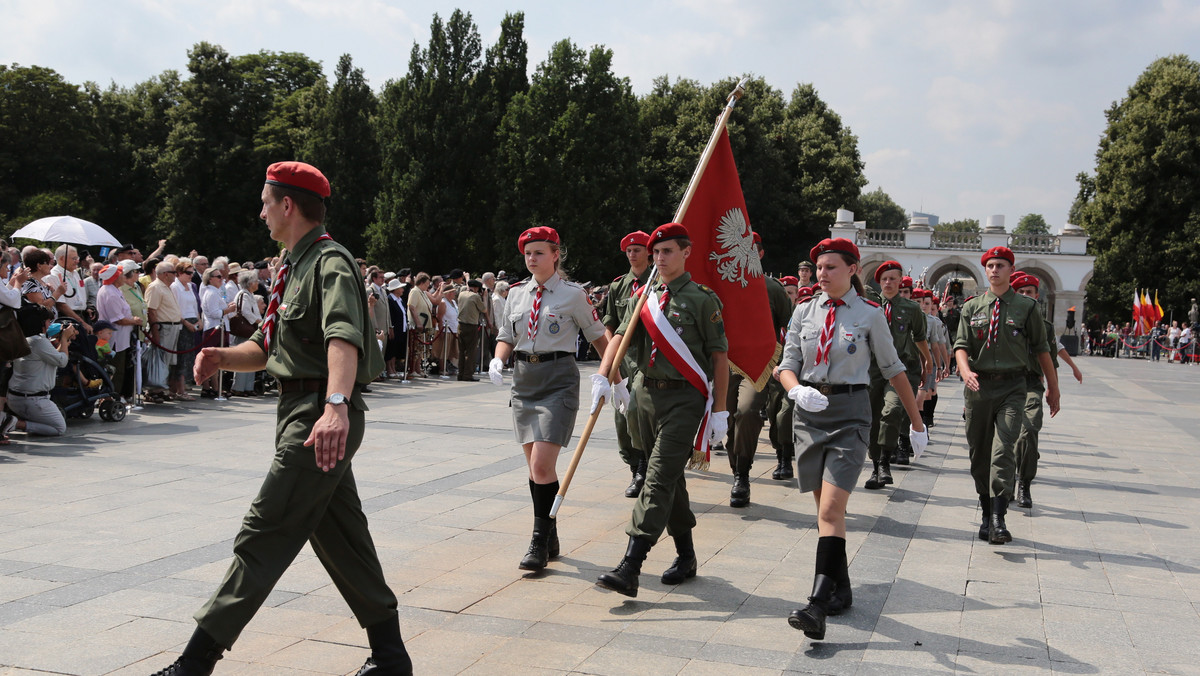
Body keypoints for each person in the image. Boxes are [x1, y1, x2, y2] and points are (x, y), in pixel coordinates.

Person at [152, 162, 411, 676]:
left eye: (267, 202)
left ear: (288, 205)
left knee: (265, 529)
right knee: (341, 535)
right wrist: (222, 358)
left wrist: (335, 407)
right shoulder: (294, 266)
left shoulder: (329, 262)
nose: (261, 211)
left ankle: (193, 664)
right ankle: (390, 657)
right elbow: (269, 346)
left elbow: (344, 338)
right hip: (302, 409)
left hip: (319, 413)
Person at [777, 238, 926, 641]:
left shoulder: (869, 315)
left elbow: (894, 369)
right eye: (819, 267)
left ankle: (817, 604)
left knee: (830, 510)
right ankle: (841, 590)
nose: (822, 274)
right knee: (829, 515)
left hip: (850, 414)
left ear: (852, 270)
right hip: (809, 413)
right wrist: (794, 390)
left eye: (831, 267)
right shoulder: (804, 311)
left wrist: (916, 423)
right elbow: (787, 364)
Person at [592, 222, 728, 597]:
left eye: (668, 251)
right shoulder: (645, 296)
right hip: (647, 398)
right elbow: (620, 334)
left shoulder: (703, 299)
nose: (660, 258)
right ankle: (686, 556)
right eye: (656, 253)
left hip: (685, 399)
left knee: (656, 478)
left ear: (686, 253)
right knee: (670, 480)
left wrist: (720, 410)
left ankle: (630, 565)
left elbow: (719, 357)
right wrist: (605, 376)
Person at [489, 226, 609, 572]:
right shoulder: (515, 294)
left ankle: (538, 540)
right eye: (528, 253)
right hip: (525, 380)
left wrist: (614, 379)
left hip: (558, 379)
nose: (532, 259)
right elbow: (506, 335)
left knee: (542, 464)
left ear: (556, 254)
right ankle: (550, 530)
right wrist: (499, 357)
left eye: (539, 252)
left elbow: (599, 337)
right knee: (536, 468)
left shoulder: (573, 295)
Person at [955, 247, 1060, 546]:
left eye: (1001, 265)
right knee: (979, 456)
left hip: (1014, 387)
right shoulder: (972, 307)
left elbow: (1042, 350)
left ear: (1011, 270)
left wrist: (1054, 388)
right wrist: (965, 371)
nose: (994, 270)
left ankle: (1000, 519)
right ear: (985, 270)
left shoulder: (1026, 308)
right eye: (990, 265)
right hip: (978, 389)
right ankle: (987, 514)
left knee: (1003, 451)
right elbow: (961, 345)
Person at [724, 232, 792, 507]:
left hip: (758, 366)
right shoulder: (724, 285)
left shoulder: (773, 289)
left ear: (760, 254)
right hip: (725, 364)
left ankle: (742, 475)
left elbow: (791, 329)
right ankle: (736, 467)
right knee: (726, 420)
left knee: (748, 411)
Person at [1010, 272, 1082, 509]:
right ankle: (1006, 480)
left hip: (1030, 385)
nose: (1024, 296)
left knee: (1029, 430)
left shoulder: (1046, 327)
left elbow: (1050, 360)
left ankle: (1024, 483)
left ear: (1037, 296)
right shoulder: (1002, 321)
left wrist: (1054, 389)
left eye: (1029, 292)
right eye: (1020, 292)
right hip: (1002, 384)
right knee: (1004, 436)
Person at [863, 261, 929, 490]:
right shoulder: (869, 306)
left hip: (900, 369)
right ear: (878, 282)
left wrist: (928, 361)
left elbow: (920, 337)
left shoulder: (911, 309)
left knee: (892, 410)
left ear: (900, 281)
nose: (888, 283)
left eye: (893, 278)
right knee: (871, 418)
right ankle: (874, 467)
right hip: (871, 370)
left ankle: (885, 461)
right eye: (884, 279)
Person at [600, 231, 652, 498]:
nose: (632, 254)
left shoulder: (657, 283)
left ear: (648, 252)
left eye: (638, 249)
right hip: (624, 358)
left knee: (639, 414)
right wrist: (612, 355)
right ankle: (634, 467)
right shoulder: (618, 286)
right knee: (622, 418)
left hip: (649, 357)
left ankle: (644, 467)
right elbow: (608, 325)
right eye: (629, 250)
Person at [2, 309, 75, 438]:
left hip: (16, 397)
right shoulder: (38, 342)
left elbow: (53, 357)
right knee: (59, 428)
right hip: (33, 400)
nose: (50, 324)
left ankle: (13, 420)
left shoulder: (25, 338)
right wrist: (64, 339)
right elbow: (62, 361)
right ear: (40, 323)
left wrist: (63, 342)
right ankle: (16, 423)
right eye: (48, 321)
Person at [144, 262, 185, 402]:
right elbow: (151, 310)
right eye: (174, 272)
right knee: (160, 359)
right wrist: (155, 332)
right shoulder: (155, 287)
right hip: (163, 327)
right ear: (165, 274)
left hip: (172, 326)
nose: (176, 275)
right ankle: (152, 390)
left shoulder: (167, 287)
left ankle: (160, 388)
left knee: (167, 360)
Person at [198, 267, 235, 398]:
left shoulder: (216, 292)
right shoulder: (211, 293)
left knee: (216, 359)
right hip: (214, 328)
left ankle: (213, 386)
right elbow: (214, 313)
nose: (221, 279)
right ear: (210, 278)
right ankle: (211, 386)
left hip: (221, 327)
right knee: (212, 359)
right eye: (218, 277)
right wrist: (228, 310)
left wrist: (227, 308)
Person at [229, 270, 263, 396]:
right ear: (249, 283)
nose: (257, 283)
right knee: (243, 359)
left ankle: (248, 387)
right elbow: (246, 312)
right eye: (255, 281)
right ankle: (238, 388)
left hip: (252, 330)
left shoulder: (250, 295)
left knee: (252, 359)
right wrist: (259, 322)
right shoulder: (243, 294)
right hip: (245, 330)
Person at [46, 244, 92, 332]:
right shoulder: (54, 275)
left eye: (77, 258)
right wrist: (82, 323)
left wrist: (88, 307)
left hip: (81, 316)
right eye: (74, 259)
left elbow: (81, 295)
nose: (77, 261)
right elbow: (61, 305)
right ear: (62, 259)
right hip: (68, 320)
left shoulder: (75, 273)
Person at [172, 260, 201, 397]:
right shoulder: (175, 287)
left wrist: (199, 319)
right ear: (179, 273)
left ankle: (183, 387)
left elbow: (195, 305)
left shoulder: (191, 286)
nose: (191, 275)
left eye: (192, 273)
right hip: (181, 324)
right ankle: (180, 390)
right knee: (182, 356)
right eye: (188, 273)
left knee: (189, 356)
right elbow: (176, 308)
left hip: (193, 321)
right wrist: (185, 323)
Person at [456, 278, 486, 381]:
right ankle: (468, 374)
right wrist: (484, 298)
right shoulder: (475, 296)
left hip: (460, 325)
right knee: (470, 351)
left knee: (461, 351)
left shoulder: (461, 294)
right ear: (477, 288)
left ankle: (460, 373)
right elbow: (484, 309)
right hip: (471, 326)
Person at [22, 249, 62, 317]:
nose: (50, 266)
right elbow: (41, 307)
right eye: (47, 263)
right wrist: (57, 293)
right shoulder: (30, 284)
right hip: (41, 326)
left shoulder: (41, 283)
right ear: (39, 266)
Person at [384, 279, 408, 378]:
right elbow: (389, 315)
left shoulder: (400, 300)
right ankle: (390, 369)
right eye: (401, 288)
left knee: (396, 349)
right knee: (391, 349)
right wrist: (391, 327)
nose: (403, 289)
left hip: (401, 328)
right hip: (394, 328)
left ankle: (393, 368)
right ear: (395, 289)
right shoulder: (390, 300)